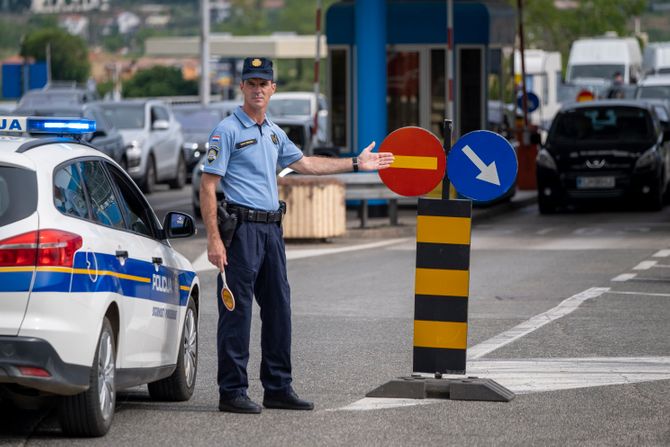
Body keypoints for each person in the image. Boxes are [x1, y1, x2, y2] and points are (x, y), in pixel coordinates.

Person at [200, 57, 395, 414]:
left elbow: (306, 163)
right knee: (237, 312)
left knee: (279, 310)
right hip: (240, 232)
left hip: (272, 230)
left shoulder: (273, 132)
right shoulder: (226, 131)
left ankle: (277, 387)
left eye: (264, 83)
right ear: (241, 87)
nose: (257, 89)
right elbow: (208, 187)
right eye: (251, 83)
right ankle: (232, 391)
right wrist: (213, 239)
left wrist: (355, 163)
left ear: (273, 89)